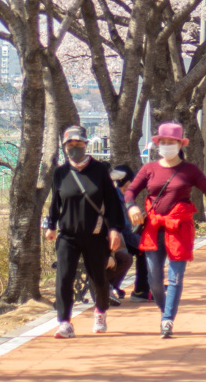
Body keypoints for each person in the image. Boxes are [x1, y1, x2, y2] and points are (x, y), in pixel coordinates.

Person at [125, 122, 206, 339]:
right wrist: (131, 207)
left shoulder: (190, 170)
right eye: (163, 142)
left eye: (171, 142)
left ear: (180, 144)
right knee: (154, 280)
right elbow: (130, 192)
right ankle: (165, 309)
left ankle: (167, 319)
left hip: (179, 228)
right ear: (158, 144)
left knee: (175, 278)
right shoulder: (149, 169)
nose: (166, 145)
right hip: (154, 227)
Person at [45, 126, 125, 338]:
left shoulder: (99, 171)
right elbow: (55, 203)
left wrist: (115, 229)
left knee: (98, 278)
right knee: (63, 278)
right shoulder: (60, 173)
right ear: (64, 147)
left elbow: (113, 204)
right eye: (70, 144)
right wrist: (50, 224)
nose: (75, 148)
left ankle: (100, 312)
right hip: (68, 235)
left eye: (78, 144)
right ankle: (64, 322)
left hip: (95, 234)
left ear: (86, 144)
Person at [109, 163, 150, 301]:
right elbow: (124, 227)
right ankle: (141, 290)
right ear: (127, 183)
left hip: (119, 236)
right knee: (143, 249)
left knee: (141, 249)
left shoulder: (119, 195)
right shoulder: (116, 197)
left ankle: (142, 287)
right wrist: (140, 241)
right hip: (113, 237)